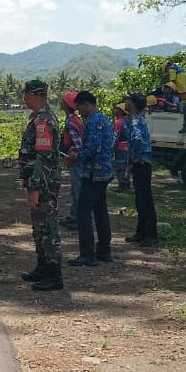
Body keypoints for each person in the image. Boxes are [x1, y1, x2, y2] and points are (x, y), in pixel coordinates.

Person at [17, 80, 64, 291]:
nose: (23, 98)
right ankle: (43, 267)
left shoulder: (44, 121)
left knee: (47, 227)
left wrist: (35, 187)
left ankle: (54, 274)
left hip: (44, 183)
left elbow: (44, 157)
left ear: (33, 95)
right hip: (38, 181)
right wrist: (25, 177)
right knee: (39, 227)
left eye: (25, 94)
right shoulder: (39, 118)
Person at [70, 91, 114, 266]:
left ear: (86, 104)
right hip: (105, 171)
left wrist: (77, 157)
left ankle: (87, 254)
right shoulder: (104, 119)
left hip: (94, 172)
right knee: (100, 211)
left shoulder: (94, 122)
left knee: (83, 211)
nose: (79, 112)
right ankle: (104, 251)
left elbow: (93, 148)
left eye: (80, 108)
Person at [121, 93, 158, 247]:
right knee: (141, 199)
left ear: (133, 104)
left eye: (128, 100)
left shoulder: (135, 121)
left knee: (144, 199)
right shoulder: (138, 119)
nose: (125, 103)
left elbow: (137, 139)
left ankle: (151, 235)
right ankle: (142, 232)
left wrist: (135, 157)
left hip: (141, 163)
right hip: (143, 163)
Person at [58, 91, 84, 231]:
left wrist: (75, 155)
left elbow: (78, 143)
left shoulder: (71, 122)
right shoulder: (76, 119)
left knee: (78, 190)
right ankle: (74, 216)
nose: (61, 102)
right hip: (75, 159)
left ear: (67, 104)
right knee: (76, 189)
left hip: (75, 160)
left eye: (63, 100)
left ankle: (78, 219)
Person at [112, 103, 131, 192]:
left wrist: (111, 150)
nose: (114, 110)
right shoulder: (127, 120)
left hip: (120, 147)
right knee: (126, 166)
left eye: (116, 109)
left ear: (121, 111)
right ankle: (126, 184)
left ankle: (121, 185)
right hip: (128, 147)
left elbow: (115, 137)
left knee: (120, 166)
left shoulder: (118, 122)